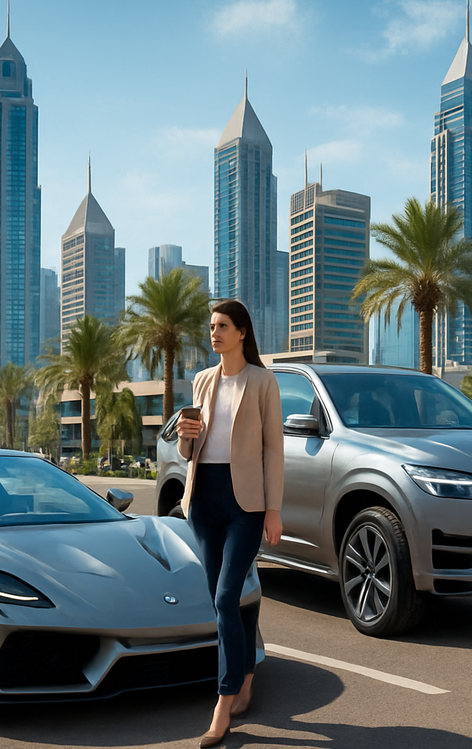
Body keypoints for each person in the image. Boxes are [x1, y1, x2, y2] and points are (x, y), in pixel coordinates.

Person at [175, 299, 283, 748]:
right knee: (227, 598)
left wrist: (273, 509)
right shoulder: (203, 380)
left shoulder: (263, 382)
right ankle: (247, 675)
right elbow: (188, 454)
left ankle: (223, 702)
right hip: (205, 499)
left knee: (224, 597)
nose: (214, 333)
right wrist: (185, 438)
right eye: (211, 326)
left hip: (246, 503)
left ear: (242, 332)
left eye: (222, 326)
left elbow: (273, 449)